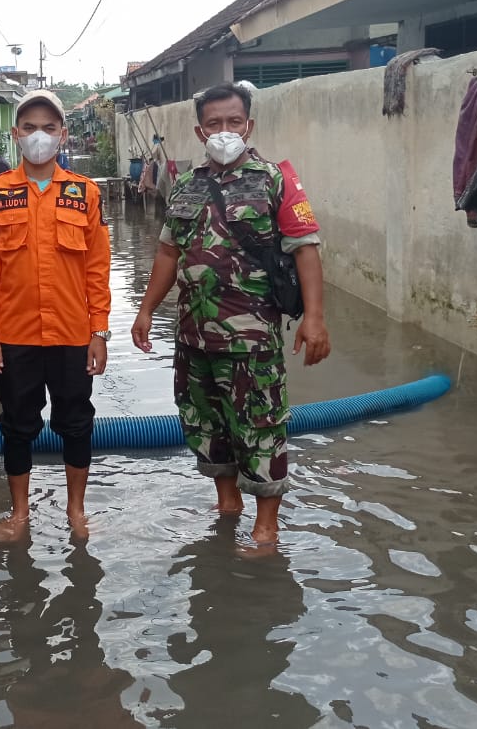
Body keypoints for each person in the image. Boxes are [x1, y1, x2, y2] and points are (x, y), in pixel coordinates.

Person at [130, 82, 331, 547]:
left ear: (250, 125)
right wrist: (145, 311)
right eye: (215, 124)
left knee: (260, 425)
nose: (225, 131)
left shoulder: (275, 180)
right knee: (205, 423)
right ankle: (227, 503)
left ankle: (266, 528)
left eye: (234, 122)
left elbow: (306, 250)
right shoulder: (185, 184)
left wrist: (314, 318)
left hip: (252, 338)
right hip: (194, 336)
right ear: (200, 132)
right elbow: (166, 252)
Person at [0, 89, 112, 541]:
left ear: (62, 134)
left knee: (76, 422)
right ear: (15, 135)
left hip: (73, 333)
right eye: (30, 127)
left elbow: (97, 267)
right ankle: (20, 514)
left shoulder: (84, 192)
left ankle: (77, 511)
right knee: (16, 425)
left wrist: (100, 331)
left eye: (49, 128)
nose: (39, 136)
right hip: (15, 335)